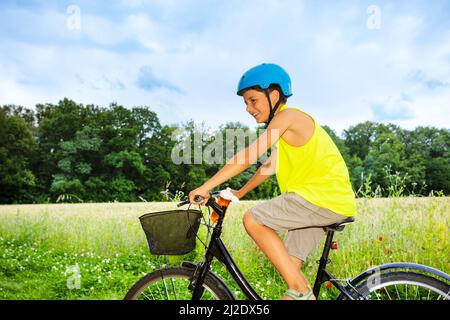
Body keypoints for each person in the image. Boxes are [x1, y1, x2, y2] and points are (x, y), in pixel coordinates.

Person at [189, 63, 356, 300]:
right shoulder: (287, 132)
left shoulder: (290, 116)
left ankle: (301, 291)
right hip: (323, 204)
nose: (248, 108)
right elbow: (268, 167)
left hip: (319, 200)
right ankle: (300, 292)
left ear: (274, 95)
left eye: (253, 100)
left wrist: (205, 187)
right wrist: (240, 192)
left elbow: (250, 155)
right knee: (293, 276)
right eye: (245, 103)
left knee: (253, 219)